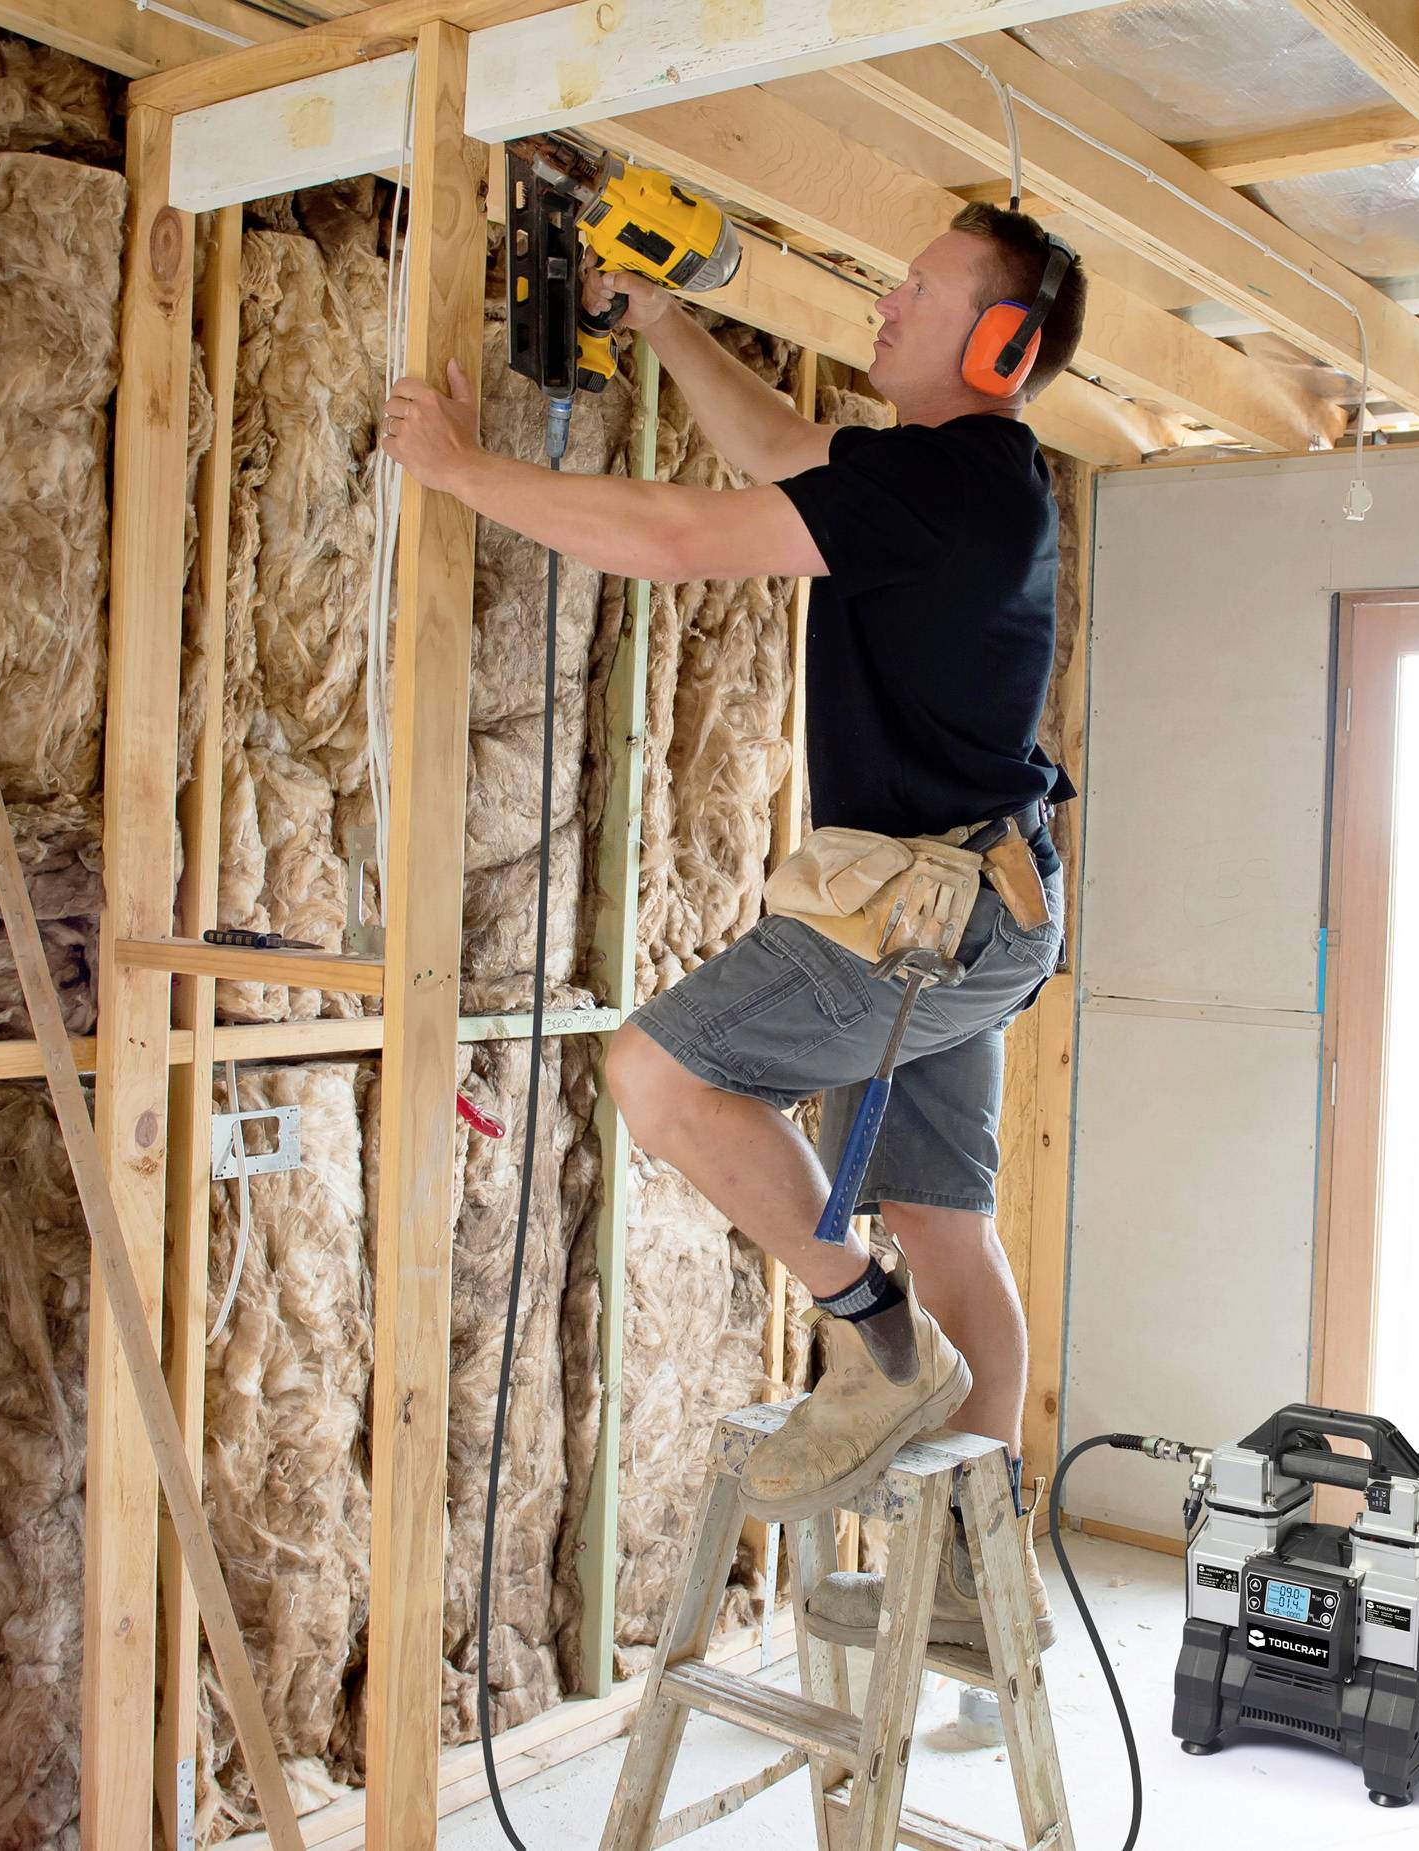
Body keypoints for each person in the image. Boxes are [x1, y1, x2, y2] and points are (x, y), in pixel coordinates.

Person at [381, 201, 1085, 1651]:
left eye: (916, 286)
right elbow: (775, 451)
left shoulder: (944, 489)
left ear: (1001, 342)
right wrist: (664, 325)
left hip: (923, 916)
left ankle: (873, 1344)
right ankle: (969, 1569)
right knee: (952, 1224)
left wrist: (455, 470)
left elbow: (676, 535)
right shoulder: (958, 476)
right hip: (983, 907)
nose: (883, 302)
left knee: (656, 1072)